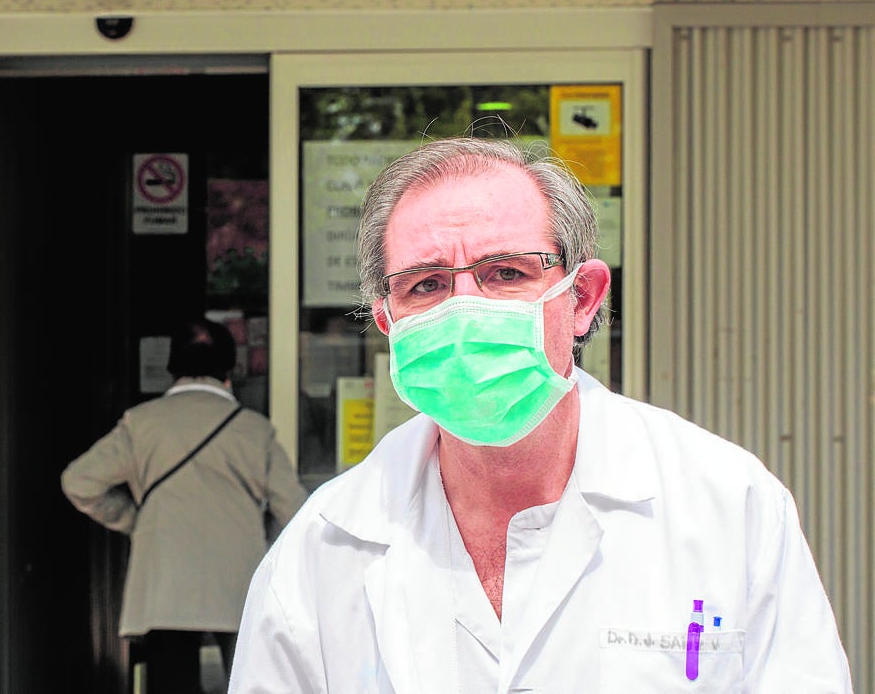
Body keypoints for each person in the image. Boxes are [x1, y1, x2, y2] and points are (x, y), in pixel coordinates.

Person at [228, 135, 853, 692]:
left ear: (581, 299)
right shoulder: (323, 549)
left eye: (505, 272)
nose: (464, 310)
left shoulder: (726, 505)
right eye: (427, 284)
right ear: (389, 322)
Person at [61, 316, 309, 694]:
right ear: (230, 370)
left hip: (164, 585)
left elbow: (78, 481)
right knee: (247, 682)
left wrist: (134, 520)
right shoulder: (254, 430)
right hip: (239, 584)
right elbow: (294, 511)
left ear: (172, 367)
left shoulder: (140, 424)